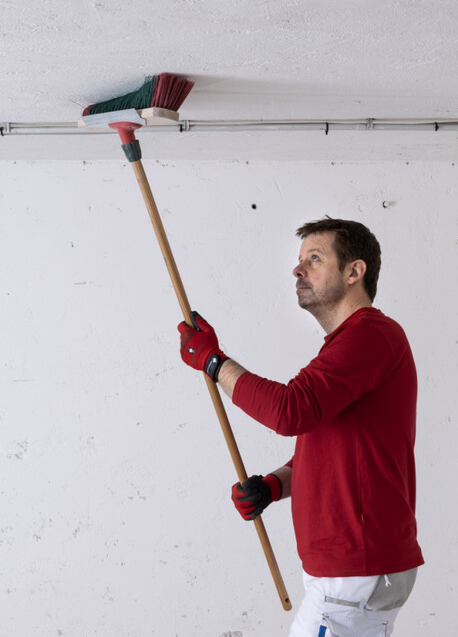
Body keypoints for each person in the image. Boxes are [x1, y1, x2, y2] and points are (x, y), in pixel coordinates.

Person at [178, 217, 424, 637]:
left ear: (353, 272)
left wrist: (214, 363)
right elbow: (328, 447)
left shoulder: (370, 335)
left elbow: (290, 411)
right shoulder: (353, 344)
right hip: (355, 574)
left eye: (314, 258)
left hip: (354, 575)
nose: (298, 270)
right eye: (299, 260)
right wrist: (272, 486)